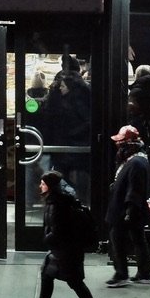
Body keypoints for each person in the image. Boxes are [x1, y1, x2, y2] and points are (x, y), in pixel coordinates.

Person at [19, 170, 104, 298]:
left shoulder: (57, 204)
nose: (40, 186)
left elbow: (58, 230)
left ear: (50, 186)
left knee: (75, 282)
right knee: (47, 275)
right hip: (63, 250)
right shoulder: (61, 200)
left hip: (66, 251)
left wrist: (46, 239)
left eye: (43, 184)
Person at [104, 125, 150, 288]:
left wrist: (128, 211)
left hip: (126, 210)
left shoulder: (136, 163)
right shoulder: (138, 159)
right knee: (138, 239)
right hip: (132, 209)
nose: (118, 146)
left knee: (117, 240)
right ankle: (144, 273)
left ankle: (121, 274)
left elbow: (134, 189)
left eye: (121, 142)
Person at [43, 70, 92, 201]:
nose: (60, 88)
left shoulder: (76, 103)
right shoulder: (70, 99)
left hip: (72, 146)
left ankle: (71, 199)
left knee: (61, 174)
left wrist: (72, 133)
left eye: (63, 86)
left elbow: (86, 122)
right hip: (69, 145)